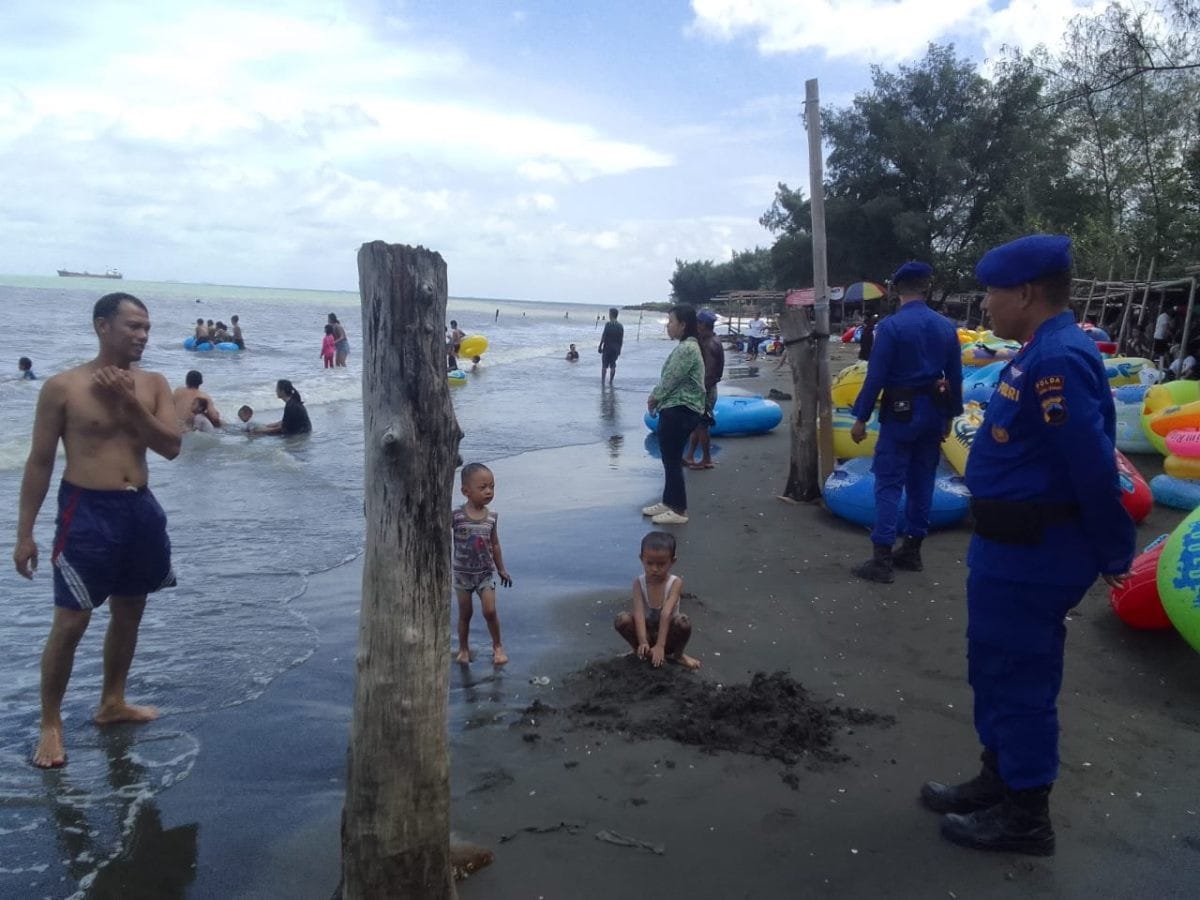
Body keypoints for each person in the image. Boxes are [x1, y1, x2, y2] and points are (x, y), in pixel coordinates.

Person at [920, 234, 1135, 857]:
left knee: (1019, 676)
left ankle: (1025, 816)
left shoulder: (1059, 359)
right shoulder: (1036, 350)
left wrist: (1116, 553)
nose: (985, 303)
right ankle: (999, 779)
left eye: (991, 291)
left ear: (1025, 292)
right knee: (992, 665)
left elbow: (1094, 467)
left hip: (1036, 551)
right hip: (1008, 549)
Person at [13, 292, 181, 769]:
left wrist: (128, 402)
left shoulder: (152, 384)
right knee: (71, 621)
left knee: (130, 611)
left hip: (141, 510)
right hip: (87, 511)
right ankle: (51, 723)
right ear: (102, 326)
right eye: (133, 326)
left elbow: (171, 447)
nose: (143, 336)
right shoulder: (63, 387)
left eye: (147, 328)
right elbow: (40, 462)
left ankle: (112, 702)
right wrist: (24, 533)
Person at [849, 261, 963, 583]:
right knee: (922, 481)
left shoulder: (892, 327)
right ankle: (912, 550)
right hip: (933, 413)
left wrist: (860, 417)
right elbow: (954, 376)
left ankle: (882, 559)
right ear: (925, 288)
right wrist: (950, 415)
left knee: (888, 483)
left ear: (898, 290)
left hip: (901, 415)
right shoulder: (945, 326)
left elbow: (876, 377)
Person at [643, 305, 705, 526]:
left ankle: (679, 509)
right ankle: (669, 502)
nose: (668, 326)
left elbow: (671, 378)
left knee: (672, 460)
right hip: (678, 409)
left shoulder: (687, 349)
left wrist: (654, 397)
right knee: (669, 459)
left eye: (671, 322)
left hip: (681, 410)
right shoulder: (687, 346)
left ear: (683, 325)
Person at [453, 463, 513, 666]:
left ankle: (497, 647)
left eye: (492, 486)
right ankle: (463, 649)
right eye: (483, 487)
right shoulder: (456, 516)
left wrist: (502, 569)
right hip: (462, 575)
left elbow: (494, 544)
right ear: (466, 491)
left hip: (485, 574)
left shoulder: (491, 517)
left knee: (489, 611)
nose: (489, 491)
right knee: (465, 614)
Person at [614, 531, 700, 669]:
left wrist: (660, 646)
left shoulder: (675, 583)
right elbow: (639, 614)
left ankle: (678, 655)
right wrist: (642, 641)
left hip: (667, 638)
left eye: (661, 564)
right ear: (641, 559)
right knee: (622, 619)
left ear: (672, 561)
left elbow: (666, 613)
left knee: (683, 622)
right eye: (649, 563)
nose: (654, 569)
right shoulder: (638, 583)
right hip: (646, 635)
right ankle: (638, 650)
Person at [683, 310, 725, 470]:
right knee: (698, 425)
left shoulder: (710, 344)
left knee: (701, 426)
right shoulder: (713, 340)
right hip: (708, 388)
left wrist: (698, 391)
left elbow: (709, 372)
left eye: (697, 323)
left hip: (705, 391)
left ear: (702, 325)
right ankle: (690, 456)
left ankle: (707, 459)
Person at [598, 307, 624, 385]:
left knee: (604, 366)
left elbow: (604, 336)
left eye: (609, 314)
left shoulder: (608, 325)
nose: (609, 315)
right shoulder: (620, 326)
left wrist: (600, 346)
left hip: (607, 347)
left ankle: (603, 381)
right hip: (615, 348)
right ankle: (611, 381)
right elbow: (621, 339)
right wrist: (619, 349)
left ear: (611, 315)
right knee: (613, 365)